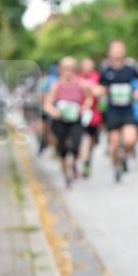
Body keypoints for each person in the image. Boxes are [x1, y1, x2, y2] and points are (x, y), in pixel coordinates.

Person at [43, 57, 92, 188]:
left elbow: (89, 99)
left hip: (76, 120)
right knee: (62, 150)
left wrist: (84, 108)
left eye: (71, 68)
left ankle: (74, 164)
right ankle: (66, 176)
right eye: (65, 68)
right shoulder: (56, 86)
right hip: (60, 121)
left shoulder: (82, 84)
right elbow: (47, 104)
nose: (68, 72)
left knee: (76, 146)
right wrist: (54, 112)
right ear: (60, 69)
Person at [98, 40, 138, 182]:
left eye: (119, 49)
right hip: (112, 111)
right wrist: (99, 92)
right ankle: (116, 167)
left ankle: (124, 157)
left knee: (130, 140)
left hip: (127, 109)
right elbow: (100, 88)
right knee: (115, 144)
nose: (117, 52)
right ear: (110, 52)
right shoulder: (105, 71)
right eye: (114, 49)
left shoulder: (131, 69)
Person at [78, 57, 103, 178]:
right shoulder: (77, 77)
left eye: (89, 65)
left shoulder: (97, 77)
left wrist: (88, 87)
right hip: (80, 114)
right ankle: (84, 162)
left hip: (94, 115)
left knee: (92, 141)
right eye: (85, 65)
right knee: (84, 140)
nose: (87, 68)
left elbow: (100, 91)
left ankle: (88, 160)